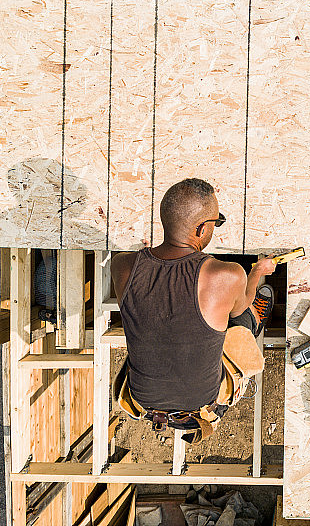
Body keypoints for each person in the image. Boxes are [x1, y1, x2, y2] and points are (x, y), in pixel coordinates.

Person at [110, 178, 277, 441]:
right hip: (202, 401)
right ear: (201, 229)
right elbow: (241, 303)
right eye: (215, 222)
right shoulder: (227, 275)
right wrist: (257, 271)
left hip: (142, 399)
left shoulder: (122, 266)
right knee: (242, 317)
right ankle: (257, 322)